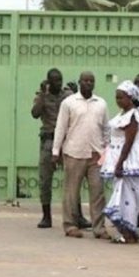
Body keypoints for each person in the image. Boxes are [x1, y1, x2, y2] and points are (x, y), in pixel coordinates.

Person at [52, 71, 109, 239]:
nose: (88, 83)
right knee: (71, 192)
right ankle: (70, 225)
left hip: (96, 154)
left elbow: (106, 129)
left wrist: (107, 150)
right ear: (79, 82)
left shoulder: (101, 103)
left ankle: (99, 228)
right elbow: (61, 127)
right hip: (74, 152)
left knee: (98, 192)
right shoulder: (69, 103)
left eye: (91, 81)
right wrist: (55, 151)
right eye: (85, 81)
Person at [31, 68, 90, 229]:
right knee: (45, 179)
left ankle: (78, 215)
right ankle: (46, 216)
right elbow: (35, 113)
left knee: (73, 178)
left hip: (67, 140)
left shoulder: (68, 95)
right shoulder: (42, 95)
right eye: (55, 81)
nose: (59, 83)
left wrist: (77, 93)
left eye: (60, 80)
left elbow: (81, 109)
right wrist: (42, 95)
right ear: (49, 82)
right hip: (49, 140)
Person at [100, 81, 139, 243]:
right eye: (116, 97)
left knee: (128, 196)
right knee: (121, 195)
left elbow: (128, 142)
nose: (118, 101)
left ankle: (129, 232)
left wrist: (120, 163)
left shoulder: (133, 116)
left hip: (129, 160)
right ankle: (125, 232)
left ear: (130, 98)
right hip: (119, 157)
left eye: (121, 97)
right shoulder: (121, 115)